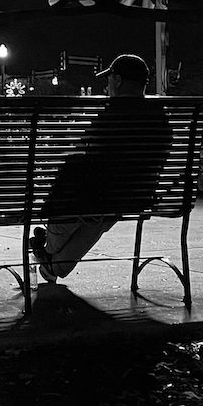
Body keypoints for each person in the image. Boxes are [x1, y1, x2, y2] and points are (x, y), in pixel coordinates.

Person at [30, 54, 171, 283]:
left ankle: (47, 253)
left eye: (109, 80)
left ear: (117, 81)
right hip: (136, 196)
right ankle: (49, 263)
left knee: (79, 195)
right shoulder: (160, 118)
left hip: (97, 196)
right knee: (99, 217)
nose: (106, 86)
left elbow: (88, 153)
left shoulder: (111, 115)